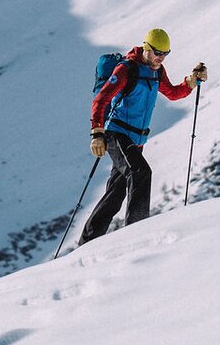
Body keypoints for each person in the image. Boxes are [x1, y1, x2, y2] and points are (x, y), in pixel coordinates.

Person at [81, 28, 207, 245]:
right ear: (146, 48)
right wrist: (97, 134)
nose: (161, 57)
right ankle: (136, 236)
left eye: (166, 53)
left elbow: (173, 93)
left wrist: (191, 81)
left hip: (136, 141)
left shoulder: (157, 71)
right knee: (140, 172)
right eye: (158, 52)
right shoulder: (126, 69)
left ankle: (88, 241)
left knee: (116, 193)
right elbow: (100, 100)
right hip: (116, 134)